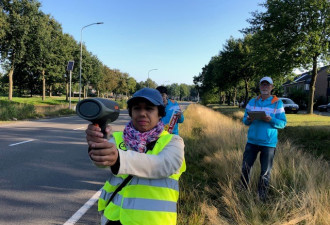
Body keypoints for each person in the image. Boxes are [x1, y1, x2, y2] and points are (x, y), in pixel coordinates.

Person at [85, 87, 186, 225]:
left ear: (160, 114)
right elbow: (102, 163)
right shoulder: (118, 138)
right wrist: (96, 145)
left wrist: (119, 159)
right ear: (131, 112)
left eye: (149, 109)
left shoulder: (173, 142)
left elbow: (162, 165)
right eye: (137, 108)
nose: (142, 113)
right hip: (114, 218)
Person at [240, 77, 287, 201]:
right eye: (263, 85)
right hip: (252, 141)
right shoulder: (252, 102)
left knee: (265, 172)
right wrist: (248, 119)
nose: (265, 87)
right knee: (245, 167)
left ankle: (262, 197)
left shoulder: (278, 103)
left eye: (267, 85)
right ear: (259, 87)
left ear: (272, 87)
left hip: (268, 143)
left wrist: (271, 120)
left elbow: (282, 124)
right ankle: (242, 192)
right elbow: (245, 120)